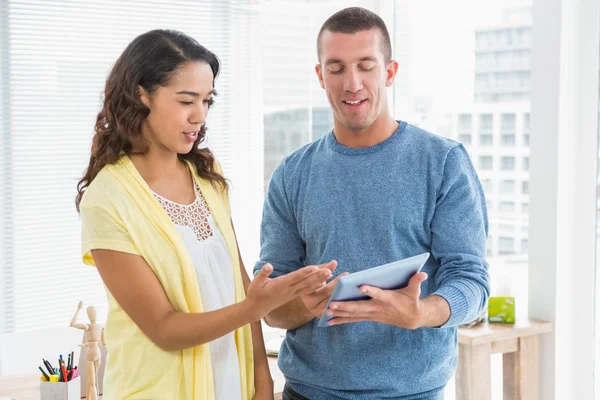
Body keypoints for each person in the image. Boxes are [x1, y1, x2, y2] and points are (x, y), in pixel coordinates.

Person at [76, 29, 332, 400]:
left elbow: (241, 287)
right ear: (141, 94)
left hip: (233, 387)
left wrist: (263, 383)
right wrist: (253, 308)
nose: (199, 116)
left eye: (208, 101)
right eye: (186, 101)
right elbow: (163, 328)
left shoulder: (205, 173)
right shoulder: (107, 199)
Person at [255, 7, 490, 400]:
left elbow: (473, 283)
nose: (352, 83)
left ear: (390, 72)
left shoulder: (443, 162)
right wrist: (306, 306)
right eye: (336, 68)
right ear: (320, 76)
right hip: (307, 392)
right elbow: (272, 308)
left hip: (413, 393)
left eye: (366, 66)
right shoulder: (292, 174)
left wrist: (421, 313)